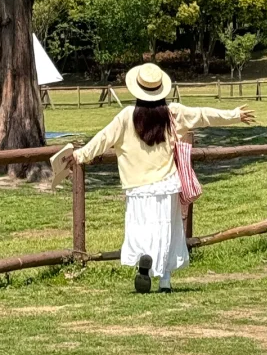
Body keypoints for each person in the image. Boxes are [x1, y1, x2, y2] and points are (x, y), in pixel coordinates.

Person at [70, 62, 255, 294]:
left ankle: (144, 262)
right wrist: (235, 115)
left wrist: (80, 155)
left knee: (140, 229)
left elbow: (102, 139)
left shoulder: (127, 116)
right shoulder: (172, 114)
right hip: (166, 185)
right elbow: (203, 115)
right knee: (167, 230)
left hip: (137, 188)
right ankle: (165, 280)